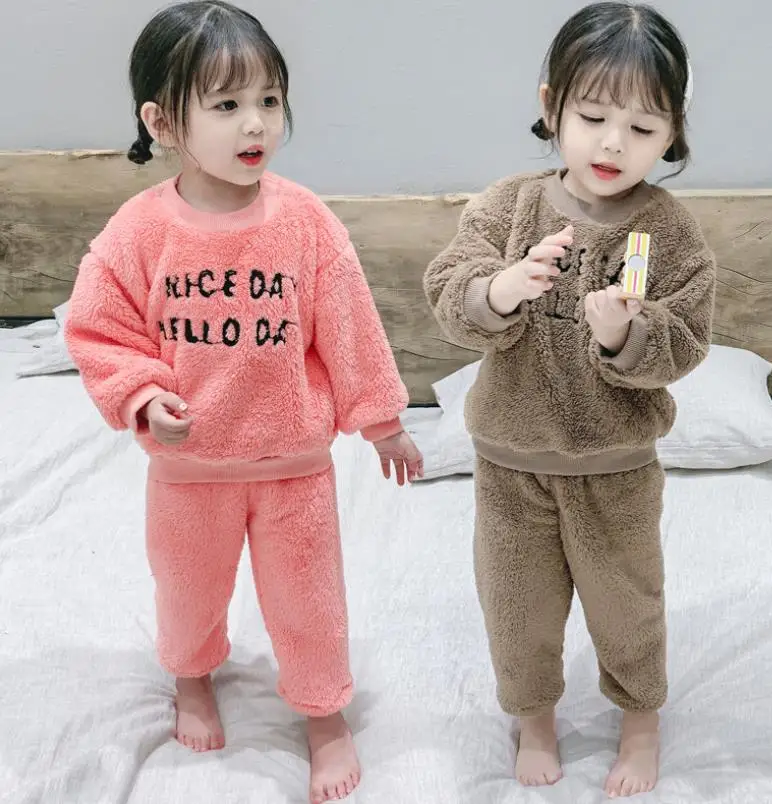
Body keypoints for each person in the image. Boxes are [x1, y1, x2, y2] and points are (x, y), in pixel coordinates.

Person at [64, 3, 422, 802]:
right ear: (163, 122)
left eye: (268, 100)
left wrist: (383, 422)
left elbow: (350, 327)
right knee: (187, 589)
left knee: (310, 601)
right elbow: (99, 330)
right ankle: (192, 676)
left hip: (294, 466)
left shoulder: (305, 222)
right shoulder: (137, 233)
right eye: (226, 105)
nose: (255, 123)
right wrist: (143, 396)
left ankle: (323, 713)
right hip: (190, 472)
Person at [423, 2, 715, 797]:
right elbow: (449, 289)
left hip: (616, 473)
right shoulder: (509, 206)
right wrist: (502, 289)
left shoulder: (667, 232)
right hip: (509, 466)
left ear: (673, 132)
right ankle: (535, 719)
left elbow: (687, 340)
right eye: (592, 118)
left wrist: (625, 333)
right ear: (551, 106)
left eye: (643, 127)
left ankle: (641, 721)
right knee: (517, 607)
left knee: (627, 607)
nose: (613, 143)